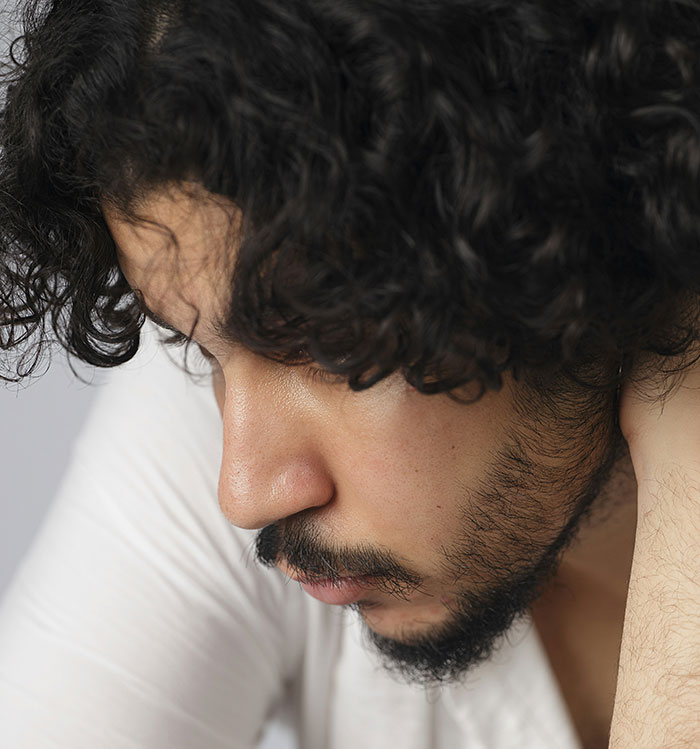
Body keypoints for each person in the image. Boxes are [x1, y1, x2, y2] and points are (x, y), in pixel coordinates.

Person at [0, 1, 699, 746]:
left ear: (584, 211)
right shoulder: (204, 425)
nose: (243, 491)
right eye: (200, 350)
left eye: (326, 342)